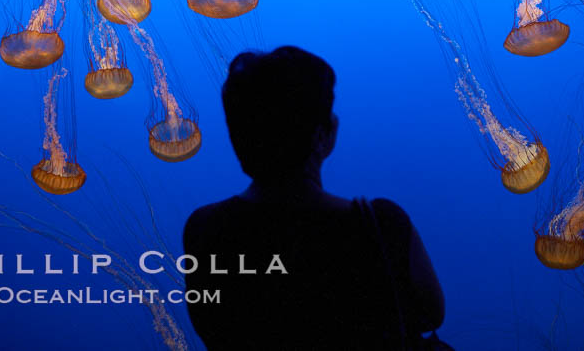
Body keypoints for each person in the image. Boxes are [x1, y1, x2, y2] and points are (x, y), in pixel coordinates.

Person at [184, 46, 447, 350]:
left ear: (237, 137)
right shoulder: (381, 225)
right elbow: (431, 315)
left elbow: (212, 327)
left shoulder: (204, 230)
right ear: (324, 133)